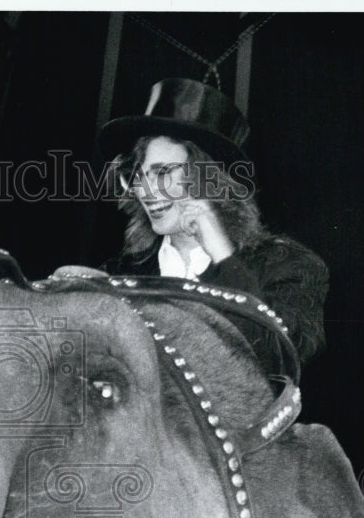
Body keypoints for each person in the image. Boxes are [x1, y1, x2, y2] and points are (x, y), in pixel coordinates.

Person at [97, 78, 329, 369]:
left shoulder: (291, 267)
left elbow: (275, 365)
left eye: (163, 172)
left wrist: (223, 259)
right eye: (137, 175)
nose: (145, 190)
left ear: (209, 176)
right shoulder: (117, 275)